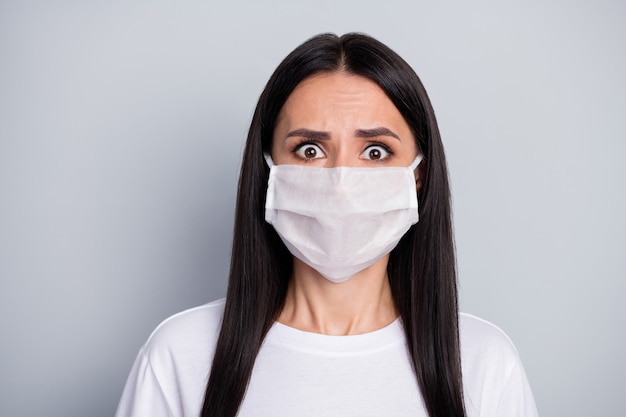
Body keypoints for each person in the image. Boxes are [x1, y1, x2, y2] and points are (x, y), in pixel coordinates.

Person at [115, 33, 538, 417]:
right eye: (310, 150)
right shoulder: (182, 356)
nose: (340, 181)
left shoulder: (483, 363)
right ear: (269, 174)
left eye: (374, 152)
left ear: (418, 178)